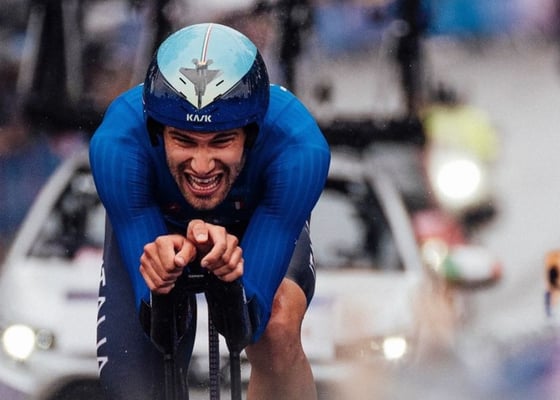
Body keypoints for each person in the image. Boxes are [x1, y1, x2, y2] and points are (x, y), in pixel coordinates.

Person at [89, 22, 330, 399]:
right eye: (184, 140)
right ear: (156, 132)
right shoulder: (118, 145)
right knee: (137, 388)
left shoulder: (299, 149)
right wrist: (162, 286)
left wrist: (230, 281)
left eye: (221, 141)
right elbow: (157, 323)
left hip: (255, 220)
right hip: (158, 224)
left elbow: (246, 325)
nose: (202, 167)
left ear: (251, 134)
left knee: (277, 329)